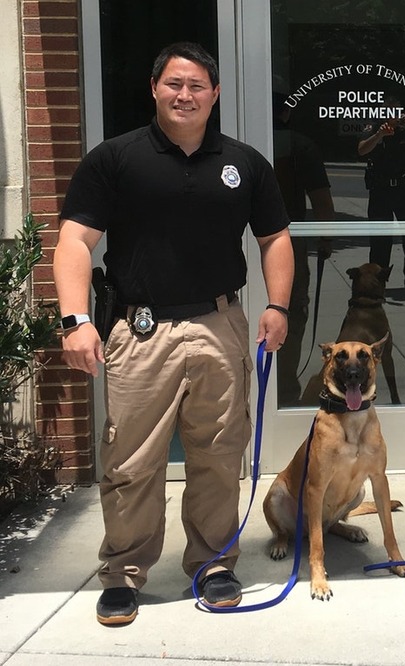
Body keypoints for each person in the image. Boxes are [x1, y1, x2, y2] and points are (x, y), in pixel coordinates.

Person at [53, 42, 293, 626]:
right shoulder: (115, 159)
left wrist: (278, 306)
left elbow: (275, 239)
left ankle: (213, 565)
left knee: (218, 454)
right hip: (139, 331)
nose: (185, 95)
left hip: (220, 324)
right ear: (155, 89)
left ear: (214, 94)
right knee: (131, 459)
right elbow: (74, 242)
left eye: (197, 86)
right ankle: (124, 573)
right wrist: (75, 320)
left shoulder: (244, 163)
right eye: (174, 84)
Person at [271, 92, 335, 406]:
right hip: (289, 240)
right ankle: (283, 392)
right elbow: (321, 198)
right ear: (285, 113)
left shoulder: (233, 142)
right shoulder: (300, 145)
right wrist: (326, 237)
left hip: (240, 239)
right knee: (291, 314)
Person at [358, 110, 405, 290]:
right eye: (390, 111)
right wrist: (379, 135)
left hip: (403, 189)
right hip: (380, 190)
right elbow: (362, 149)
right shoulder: (374, 127)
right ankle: (377, 279)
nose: (394, 116)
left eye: (397, 111)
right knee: (380, 239)